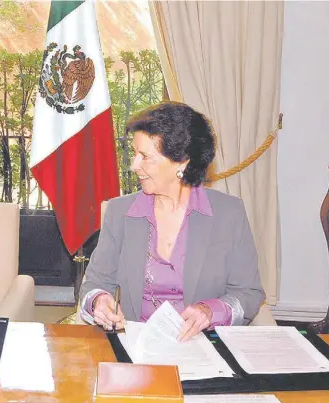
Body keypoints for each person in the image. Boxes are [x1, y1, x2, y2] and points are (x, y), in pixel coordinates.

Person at [79, 101, 265, 341]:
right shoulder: (120, 212)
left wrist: (210, 311)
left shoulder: (229, 213)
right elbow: (93, 284)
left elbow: (249, 293)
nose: (133, 166)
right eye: (135, 154)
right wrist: (98, 301)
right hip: (135, 347)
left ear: (181, 162)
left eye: (145, 156)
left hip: (202, 346)